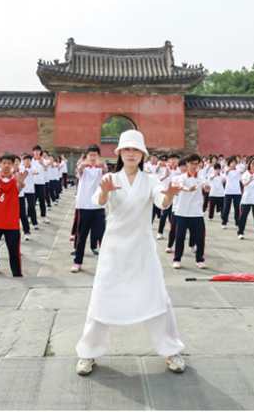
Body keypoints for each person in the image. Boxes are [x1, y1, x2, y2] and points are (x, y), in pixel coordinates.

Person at [75, 130, 184, 376]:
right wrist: (104, 190)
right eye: (127, 150)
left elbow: (161, 202)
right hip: (114, 249)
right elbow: (98, 201)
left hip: (142, 248)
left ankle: (171, 349)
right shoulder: (111, 178)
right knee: (102, 298)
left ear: (143, 154)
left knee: (158, 298)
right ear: (120, 153)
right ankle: (88, 353)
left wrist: (168, 196)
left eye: (136, 150)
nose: (131, 154)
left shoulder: (151, 180)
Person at [71, 145, 107, 273]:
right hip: (84, 206)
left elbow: (105, 172)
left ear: (99, 157)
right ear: (86, 157)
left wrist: (104, 168)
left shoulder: (101, 169)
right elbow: (78, 173)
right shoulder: (82, 169)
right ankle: (77, 262)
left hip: (98, 206)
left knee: (103, 236)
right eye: (90, 155)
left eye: (95, 155)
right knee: (81, 236)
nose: (92, 158)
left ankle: (105, 264)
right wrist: (81, 167)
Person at [172, 153, 209, 269]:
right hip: (182, 212)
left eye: (196, 164)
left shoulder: (201, 177)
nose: (194, 166)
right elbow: (181, 186)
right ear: (187, 163)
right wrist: (188, 189)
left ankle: (200, 259)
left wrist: (207, 188)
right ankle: (177, 259)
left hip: (197, 212)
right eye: (192, 163)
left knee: (200, 237)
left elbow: (204, 185)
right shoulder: (182, 177)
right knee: (180, 237)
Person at [238, 158, 254, 239]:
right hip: (246, 198)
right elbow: (244, 184)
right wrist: (249, 180)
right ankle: (240, 232)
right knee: (243, 216)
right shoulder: (245, 174)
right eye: (252, 164)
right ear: (249, 165)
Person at [221, 156, 242, 230]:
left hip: (237, 191)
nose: (233, 164)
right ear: (229, 163)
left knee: (237, 208)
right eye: (232, 162)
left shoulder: (238, 169)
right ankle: (224, 221)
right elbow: (226, 173)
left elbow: (242, 172)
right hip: (228, 191)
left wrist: (245, 168)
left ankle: (237, 222)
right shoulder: (226, 169)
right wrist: (230, 167)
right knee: (227, 207)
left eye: (234, 162)